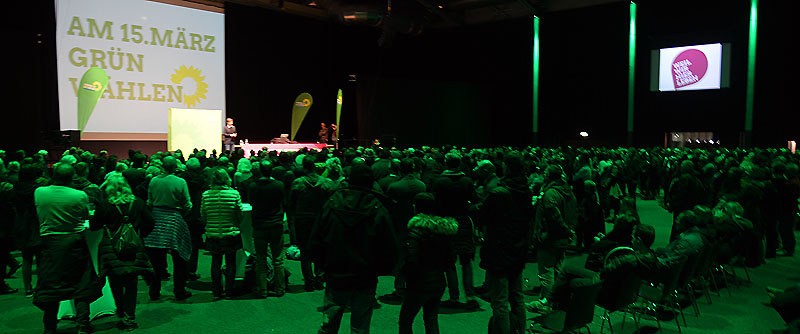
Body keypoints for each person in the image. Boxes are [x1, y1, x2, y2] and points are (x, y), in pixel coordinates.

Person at [308, 163, 399, 334]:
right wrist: (379, 269)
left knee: (329, 325)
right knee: (360, 328)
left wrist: (323, 266)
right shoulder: (378, 207)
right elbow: (390, 247)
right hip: (365, 275)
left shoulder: (332, 202)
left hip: (336, 272)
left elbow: (316, 239)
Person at [33, 163, 103, 334]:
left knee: (51, 287)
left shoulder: (40, 192)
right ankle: (83, 325)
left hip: (50, 245)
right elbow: (85, 216)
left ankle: (49, 327)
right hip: (75, 243)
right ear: (72, 177)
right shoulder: (79, 195)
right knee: (82, 285)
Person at [91, 175, 154, 332]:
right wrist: (139, 235)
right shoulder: (137, 202)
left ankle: (120, 312)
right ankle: (130, 317)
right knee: (132, 284)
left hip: (112, 249)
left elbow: (94, 226)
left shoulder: (105, 204)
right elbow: (151, 221)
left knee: (115, 282)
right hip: (133, 249)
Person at [482, 152, 532, 334]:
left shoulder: (498, 192)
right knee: (517, 298)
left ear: (507, 167)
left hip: (500, 251)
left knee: (500, 302)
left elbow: (483, 216)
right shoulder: (526, 189)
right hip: (518, 249)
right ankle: (521, 331)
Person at [399, 193, 457, 334]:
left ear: (416, 207)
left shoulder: (415, 231)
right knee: (431, 318)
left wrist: (406, 277)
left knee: (406, 320)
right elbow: (451, 259)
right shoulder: (444, 231)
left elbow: (411, 259)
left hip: (419, 283)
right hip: (438, 281)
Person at [144, 156, 193, 301]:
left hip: (157, 220)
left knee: (156, 260)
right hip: (174, 219)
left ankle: (154, 290)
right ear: (175, 167)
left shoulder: (153, 180)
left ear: (163, 167)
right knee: (179, 260)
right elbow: (187, 204)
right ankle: (179, 290)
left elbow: (150, 201)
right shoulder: (180, 181)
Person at [432, 152, 478, 309]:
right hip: (464, 221)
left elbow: (435, 202)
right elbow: (475, 199)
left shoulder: (440, 181)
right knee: (466, 262)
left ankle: (454, 298)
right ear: (459, 164)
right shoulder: (467, 180)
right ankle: (470, 296)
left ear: (446, 163)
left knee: (449, 262)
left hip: (447, 223)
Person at [288, 155, 337, 291]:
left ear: (304, 167)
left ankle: (309, 282)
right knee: (320, 249)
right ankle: (319, 279)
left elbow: (291, 204)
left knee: (305, 252)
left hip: (303, 220)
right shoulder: (326, 183)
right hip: (320, 220)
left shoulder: (298, 183)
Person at [531, 164, 577, 304]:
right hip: (563, 239)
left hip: (550, 238)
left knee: (546, 273)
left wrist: (566, 230)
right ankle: (557, 301)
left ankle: (546, 303)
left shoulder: (550, 193)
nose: (543, 174)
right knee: (557, 270)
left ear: (549, 176)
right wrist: (570, 231)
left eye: (545, 172)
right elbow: (573, 214)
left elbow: (555, 217)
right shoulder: (568, 191)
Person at [201, 168, 243, 300]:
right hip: (230, 232)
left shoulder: (206, 195)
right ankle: (229, 290)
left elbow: (203, 215)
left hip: (213, 233)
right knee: (230, 262)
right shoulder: (234, 194)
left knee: (216, 261)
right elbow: (240, 215)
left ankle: (216, 291)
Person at [247, 160, 287, 298]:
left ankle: (262, 289)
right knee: (278, 259)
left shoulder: (253, 186)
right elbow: (283, 202)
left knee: (260, 260)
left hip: (259, 225)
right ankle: (280, 288)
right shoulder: (279, 185)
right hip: (276, 224)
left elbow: (251, 202)